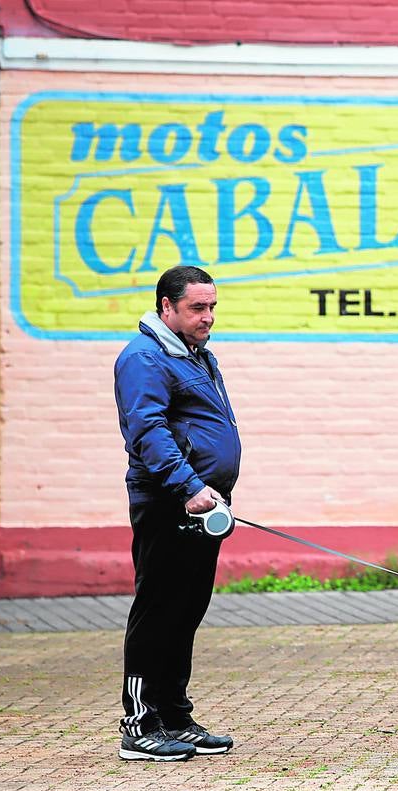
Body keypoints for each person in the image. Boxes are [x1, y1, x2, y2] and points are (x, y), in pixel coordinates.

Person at [113, 265, 241, 761]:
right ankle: (139, 724)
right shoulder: (145, 358)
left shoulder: (195, 355)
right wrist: (188, 486)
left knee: (187, 609)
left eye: (211, 307)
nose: (208, 317)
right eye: (197, 308)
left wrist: (211, 490)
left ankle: (174, 715)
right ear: (167, 307)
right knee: (157, 609)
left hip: (204, 502)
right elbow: (146, 432)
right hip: (169, 501)